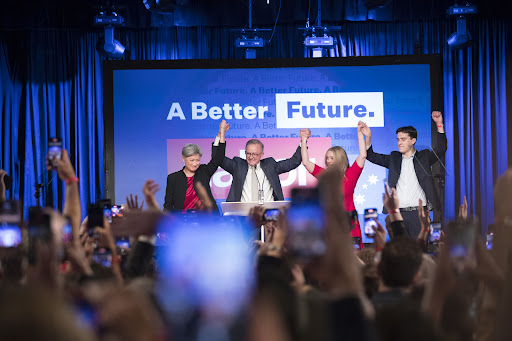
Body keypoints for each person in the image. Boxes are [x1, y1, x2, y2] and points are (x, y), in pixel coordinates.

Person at [361, 111, 447, 238]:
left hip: (419, 214)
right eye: (398, 140)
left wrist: (439, 124)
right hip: (398, 214)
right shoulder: (394, 158)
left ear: (413, 140)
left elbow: (441, 148)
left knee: (418, 251)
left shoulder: (423, 157)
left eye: (403, 139)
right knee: (400, 251)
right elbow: (372, 156)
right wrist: (367, 138)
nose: (399, 143)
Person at [299, 121, 367, 247]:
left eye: (331, 158)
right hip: (330, 224)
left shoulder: (351, 174)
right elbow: (306, 162)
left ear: (340, 158)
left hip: (349, 224)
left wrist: (359, 134)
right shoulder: (325, 175)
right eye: (327, 158)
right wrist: (303, 140)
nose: (328, 161)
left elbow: (363, 156)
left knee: (353, 259)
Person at [213, 134, 302, 203]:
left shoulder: (271, 165)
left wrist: (303, 141)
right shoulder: (238, 166)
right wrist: (220, 136)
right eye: (248, 153)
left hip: (267, 215)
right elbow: (217, 159)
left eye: (255, 154)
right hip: (243, 215)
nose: (251, 157)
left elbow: (294, 162)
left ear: (262, 154)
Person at [163, 120, 229, 213]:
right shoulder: (173, 178)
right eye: (191, 160)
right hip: (183, 222)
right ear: (183, 159)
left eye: (197, 160)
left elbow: (218, 157)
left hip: (208, 220)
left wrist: (221, 133)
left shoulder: (204, 171)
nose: (195, 164)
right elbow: (168, 205)